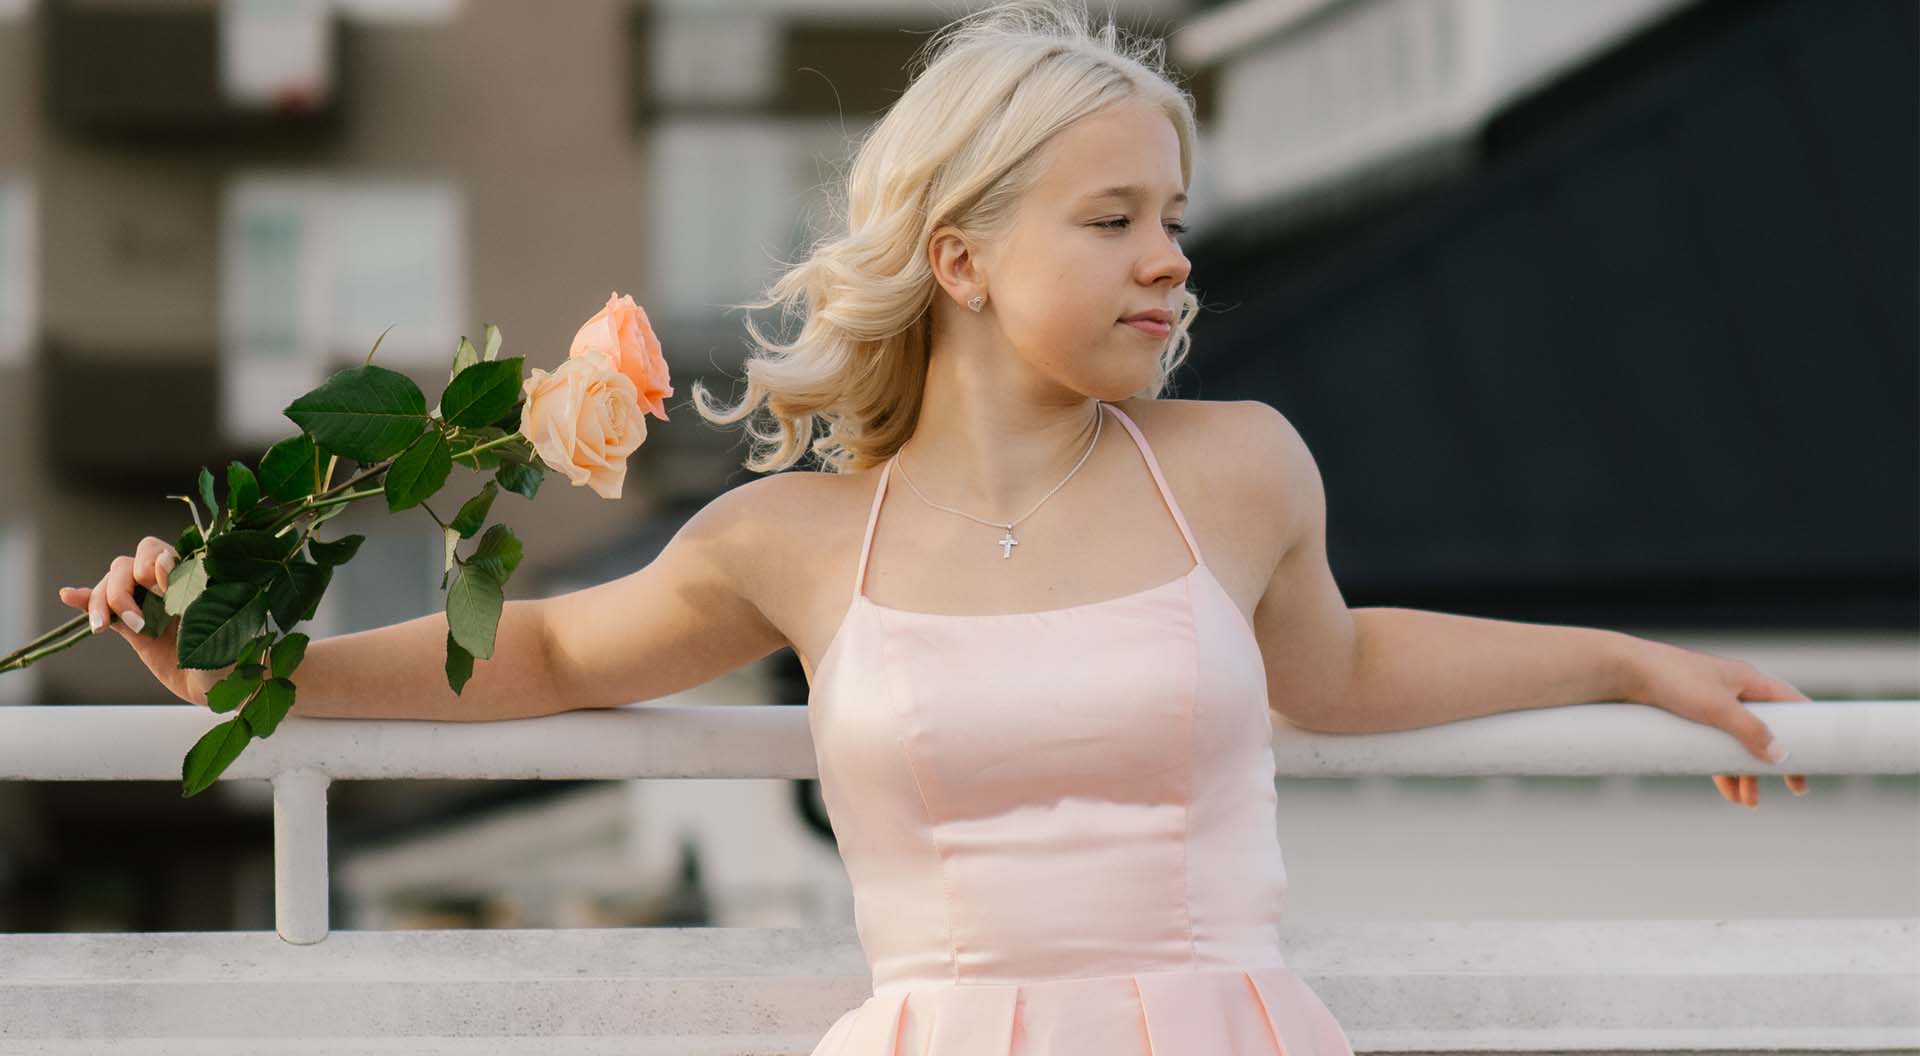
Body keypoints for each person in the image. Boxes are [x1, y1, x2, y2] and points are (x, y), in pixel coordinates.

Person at [61, 1, 1809, 1051]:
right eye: (1113, 218)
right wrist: (243, 662)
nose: (1169, 260)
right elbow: (541, 654)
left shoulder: (1242, 464)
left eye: (1173, 219)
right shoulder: (800, 541)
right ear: (962, 256)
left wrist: (1629, 666)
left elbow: (1338, 670)